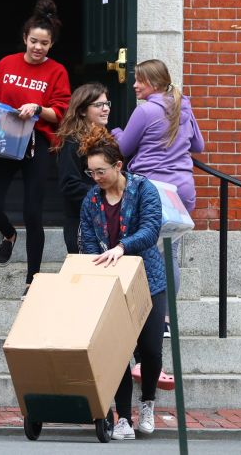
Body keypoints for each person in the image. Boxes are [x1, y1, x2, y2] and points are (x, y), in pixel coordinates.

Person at [0, 0, 71, 296]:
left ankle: (32, 278)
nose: (38, 47)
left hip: (36, 146)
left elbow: (60, 111)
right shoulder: (6, 64)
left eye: (44, 43)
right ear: (25, 38)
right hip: (5, 141)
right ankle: (9, 234)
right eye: (34, 41)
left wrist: (37, 107)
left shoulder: (57, 72)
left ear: (51, 45)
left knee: (33, 213)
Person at [79, 127, 166, 440]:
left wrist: (120, 247)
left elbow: (150, 231)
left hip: (147, 280)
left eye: (101, 171)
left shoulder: (144, 190)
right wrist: (94, 265)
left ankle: (148, 402)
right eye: (91, 172)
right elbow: (87, 240)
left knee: (152, 351)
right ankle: (123, 417)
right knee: (118, 352)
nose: (96, 178)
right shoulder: (91, 200)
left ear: (118, 166)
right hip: (110, 283)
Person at [112, 58, 205, 332]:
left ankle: (144, 316)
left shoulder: (145, 111)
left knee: (143, 253)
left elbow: (124, 148)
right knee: (170, 255)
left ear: (153, 83)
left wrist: (116, 131)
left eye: (139, 80)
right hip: (182, 192)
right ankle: (166, 320)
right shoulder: (182, 105)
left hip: (152, 190)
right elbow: (198, 145)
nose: (135, 85)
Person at [53, 82, 112, 254]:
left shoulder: (108, 140)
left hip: (107, 221)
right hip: (81, 223)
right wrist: (105, 197)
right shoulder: (71, 143)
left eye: (107, 103)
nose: (105, 109)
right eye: (98, 105)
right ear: (82, 111)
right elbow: (69, 185)